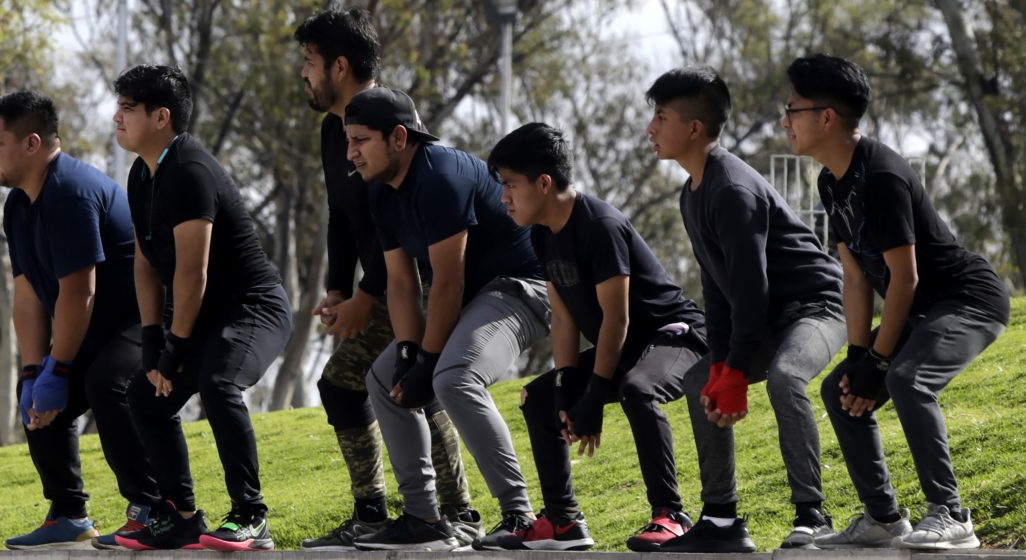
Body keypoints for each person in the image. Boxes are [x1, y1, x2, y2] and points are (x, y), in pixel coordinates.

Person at [781, 54, 1010, 550]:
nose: (784, 121)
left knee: (908, 378)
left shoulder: (881, 174)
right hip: (925, 307)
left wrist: (881, 361)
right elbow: (857, 275)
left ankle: (951, 513)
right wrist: (860, 357)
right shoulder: (829, 181)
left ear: (826, 117)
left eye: (792, 109)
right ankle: (883, 518)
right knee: (840, 389)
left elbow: (903, 279)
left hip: (968, 299)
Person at [292, 9, 478, 550]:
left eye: (309, 62)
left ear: (340, 66)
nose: (303, 74)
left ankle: (452, 511)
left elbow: (396, 223)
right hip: (375, 284)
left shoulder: (392, 120)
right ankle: (385, 510)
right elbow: (341, 217)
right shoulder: (335, 129)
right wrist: (336, 289)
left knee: (403, 380)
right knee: (362, 383)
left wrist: (365, 295)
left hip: (410, 281)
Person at [645, 66, 849, 552]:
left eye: (660, 116)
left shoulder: (732, 189)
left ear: (694, 128)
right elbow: (718, 291)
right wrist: (720, 363)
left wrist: (736, 368)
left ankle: (812, 515)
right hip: (766, 318)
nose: (651, 128)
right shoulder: (691, 193)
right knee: (698, 381)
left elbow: (751, 287)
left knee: (785, 377)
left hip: (817, 308)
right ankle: (720, 521)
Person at [341, 87, 551, 551]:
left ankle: (520, 517)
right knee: (383, 382)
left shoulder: (440, 177)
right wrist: (408, 353)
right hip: (473, 296)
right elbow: (402, 284)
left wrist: (429, 361)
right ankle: (423, 519)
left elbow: (449, 284)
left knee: (453, 378)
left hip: (526, 288)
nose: (351, 153)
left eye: (360, 140)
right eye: (348, 141)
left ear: (398, 137)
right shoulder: (380, 190)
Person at [489, 122, 710, 552]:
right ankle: (563, 521)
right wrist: (569, 384)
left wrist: (593, 397)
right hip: (629, 345)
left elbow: (617, 319)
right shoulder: (542, 232)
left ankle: (671, 515)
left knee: (637, 390)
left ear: (544, 182)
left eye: (511, 185)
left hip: (676, 336)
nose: (504, 197)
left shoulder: (599, 225)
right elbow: (565, 317)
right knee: (540, 397)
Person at [109, 64, 294, 552]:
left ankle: (252, 516)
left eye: (128, 109)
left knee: (218, 384)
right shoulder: (141, 174)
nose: (116, 118)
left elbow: (194, 272)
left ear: (161, 117)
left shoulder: (189, 170)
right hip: (204, 316)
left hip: (253, 307)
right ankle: (182, 515)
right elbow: (147, 264)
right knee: (146, 398)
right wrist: (153, 343)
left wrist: (177, 348)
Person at [0, 90, 161, 550]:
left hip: (140, 318)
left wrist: (60, 368)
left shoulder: (68, 190)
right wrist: (34, 370)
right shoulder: (18, 205)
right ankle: (68, 513)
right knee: (39, 404)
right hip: (89, 327)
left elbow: (78, 290)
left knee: (105, 383)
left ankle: (153, 509)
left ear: (31, 144)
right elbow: (27, 293)